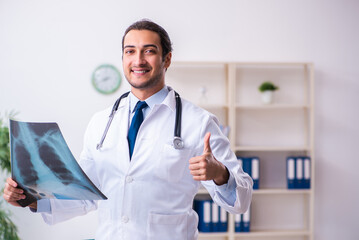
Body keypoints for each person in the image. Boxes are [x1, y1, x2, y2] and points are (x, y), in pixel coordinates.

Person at [3, 19, 253, 240]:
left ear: (167, 59)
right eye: (130, 51)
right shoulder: (101, 122)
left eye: (149, 51)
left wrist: (219, 173)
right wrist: (32, 200)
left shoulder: (199, 122)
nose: (138, 60)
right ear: (123, 58)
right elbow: (87, 195)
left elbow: (241, 201)